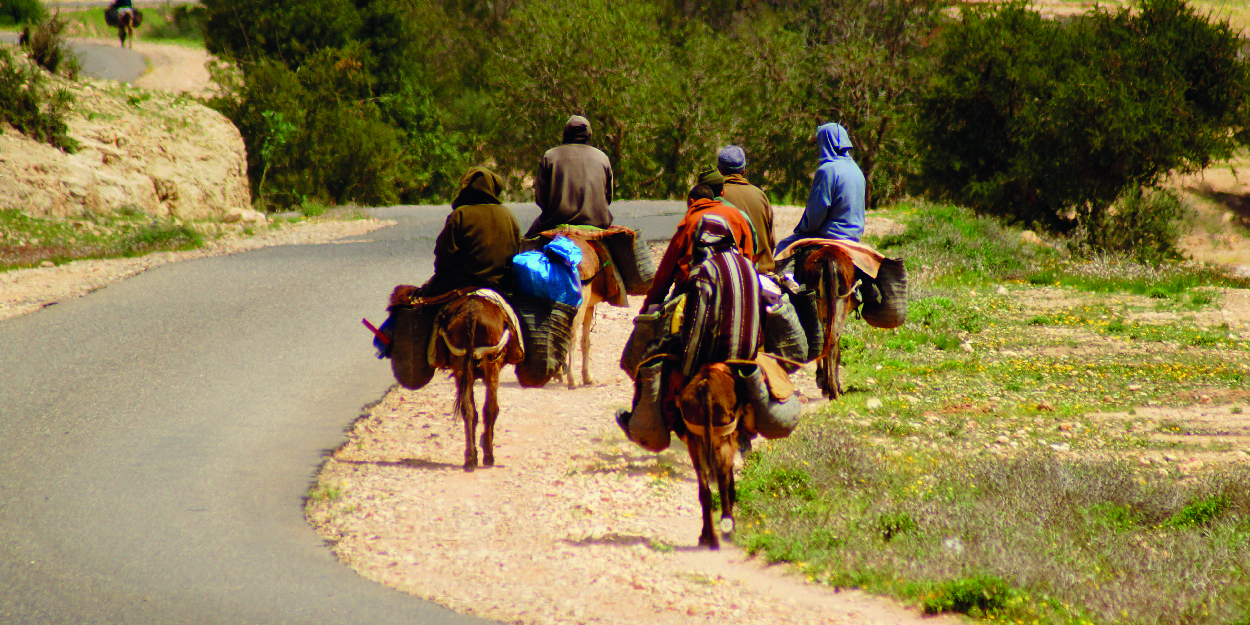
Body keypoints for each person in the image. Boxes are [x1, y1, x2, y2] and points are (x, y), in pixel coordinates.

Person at [641, 171, 755, 312]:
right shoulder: (737, 215)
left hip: (694, 289)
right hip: (734, 286)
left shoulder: (691, 220)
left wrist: (650, 305)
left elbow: (667, 270)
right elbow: (748, 256)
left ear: (692, 202)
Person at [419, 166, 522, 298]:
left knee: (417, 302)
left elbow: (444, 258)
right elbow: (517, 250)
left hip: (462, 284)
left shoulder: (460, 214)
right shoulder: (508, 215)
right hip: (502, 285)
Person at [776, 123, 866, 253]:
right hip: (854, 237)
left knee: (783, 247)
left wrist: (804, 228)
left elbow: (816, 212)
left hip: (829, 236)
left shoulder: (827, 170)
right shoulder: (857, 170)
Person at [525, 115, 614, 238]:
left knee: (525, 245)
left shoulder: (550, 156)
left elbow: (541, 198)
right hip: (598, 223)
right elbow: (608, 197)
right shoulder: (602, 158)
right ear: (589, 135)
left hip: (555, 223)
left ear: (565, 134)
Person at [717, 145, 776, 273]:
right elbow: (771, 243)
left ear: (719, 171)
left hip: (727, 274)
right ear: (743, 171)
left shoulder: (713, 195)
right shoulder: (760, 195)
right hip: (761, 271)